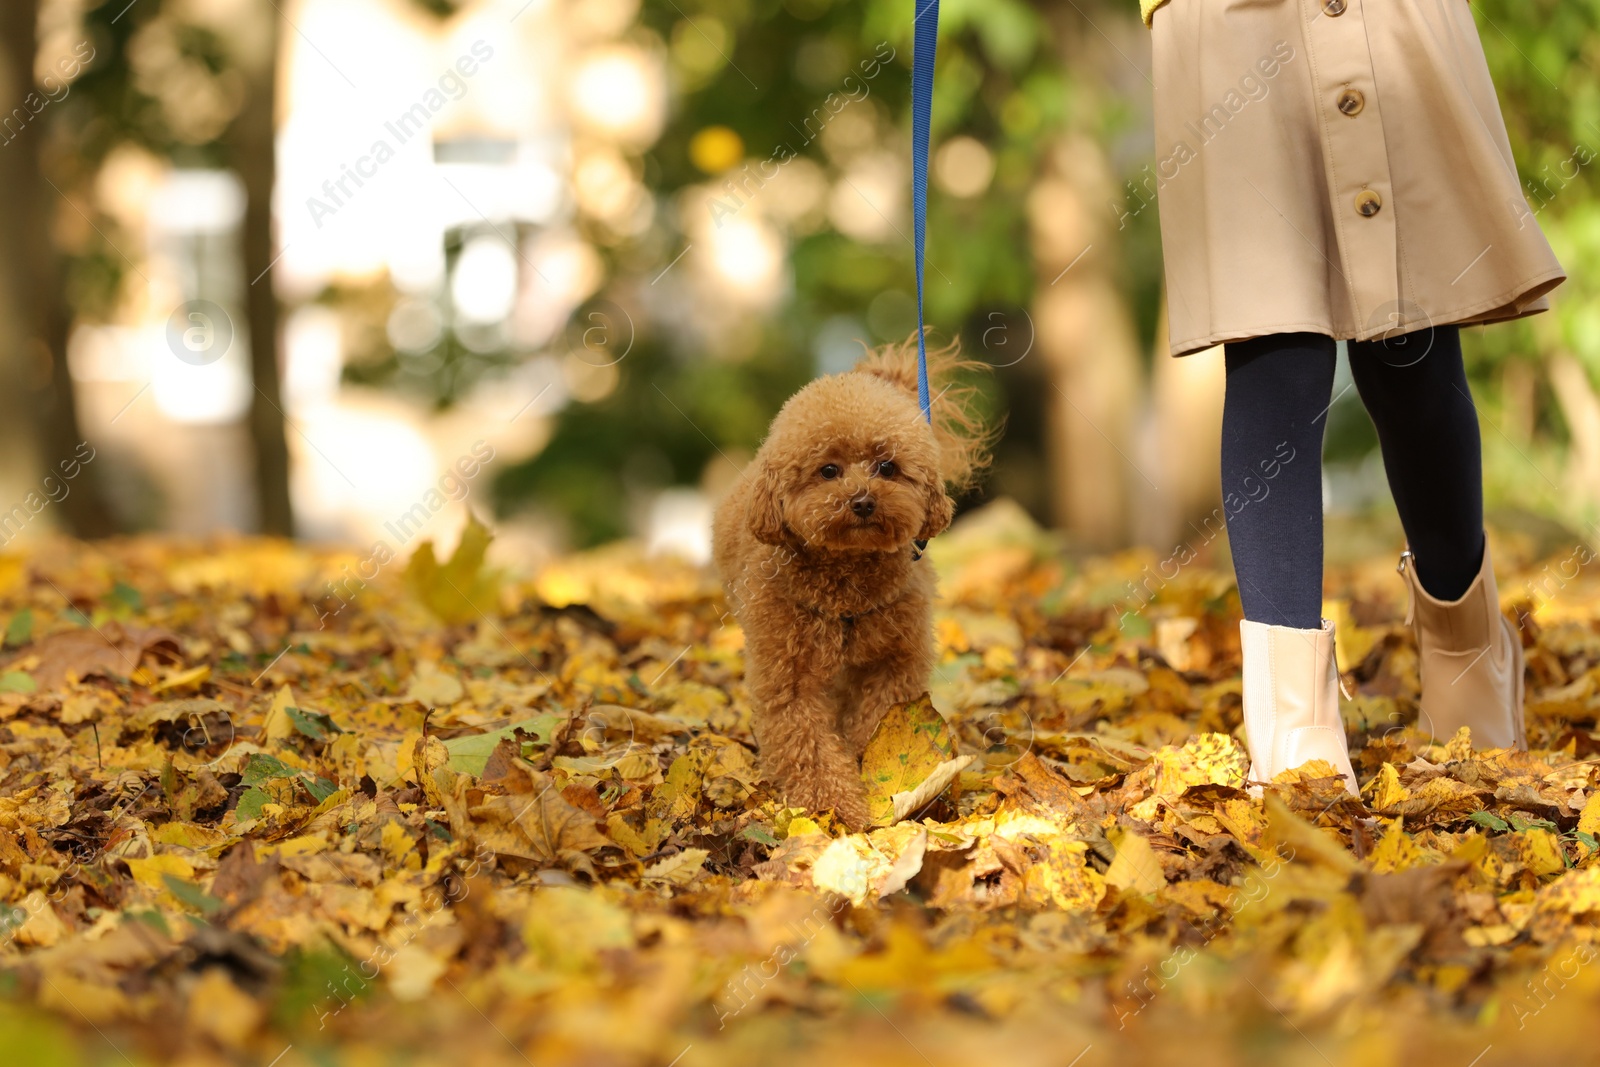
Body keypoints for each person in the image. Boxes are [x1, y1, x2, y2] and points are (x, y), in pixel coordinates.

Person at [1141, 0, 1566, 789]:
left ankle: (1465, 647)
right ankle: (1292, 720)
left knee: (1410, 341)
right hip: (1230, 23)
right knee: (1275, 345)